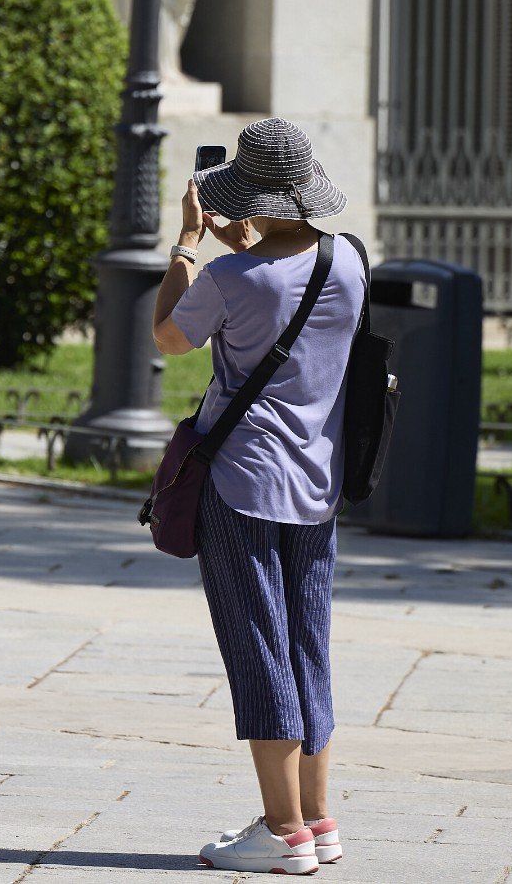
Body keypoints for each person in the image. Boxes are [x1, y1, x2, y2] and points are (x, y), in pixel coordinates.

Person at [151, 118, 365, 876]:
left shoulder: (228, 277)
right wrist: (249, 248)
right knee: (308, 645)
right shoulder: (349, 262)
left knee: (257, 648)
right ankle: (317, 818)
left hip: (242, 482)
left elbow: (169, 337)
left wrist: (185, 245)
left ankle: (281, 833)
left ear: (246, 193)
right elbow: (290, 302)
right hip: (319, 483)